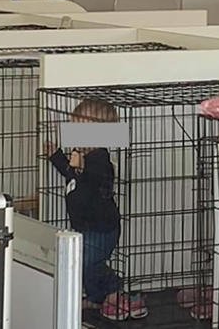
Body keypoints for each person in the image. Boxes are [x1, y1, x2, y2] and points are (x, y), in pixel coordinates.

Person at [47, 99, 147, 321]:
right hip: (84, 225)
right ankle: (96, 296)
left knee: (90, 262)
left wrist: (82, 167)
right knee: (83, 262)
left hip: (101, 227)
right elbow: (69, 172)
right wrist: (56, 156)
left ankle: (114, 289)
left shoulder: (99, 157)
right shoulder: (80, 155)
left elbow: (101, 179)